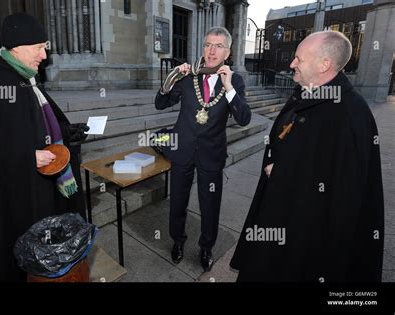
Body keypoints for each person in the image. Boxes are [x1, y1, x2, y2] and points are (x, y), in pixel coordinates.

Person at [230, 31, 384, 282]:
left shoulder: (351, 114)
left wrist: (284, 172)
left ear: (325, 65)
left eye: (299, 59)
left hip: (305, 237)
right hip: (279, 213)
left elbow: (344, 192)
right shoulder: (306, 92)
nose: (292, 64)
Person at [0, 13, 89, 282]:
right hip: (9, 198)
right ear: (17, 46)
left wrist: (66, 132)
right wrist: (26, 157)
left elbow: (38, 122)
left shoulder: (27, 78)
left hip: (37, 191)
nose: (44, 55)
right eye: (39, 47)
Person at [155, 27, 251, 272]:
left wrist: (229, 87)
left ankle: (206, 247)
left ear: (227, 52)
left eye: (218, 46)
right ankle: (177, 241)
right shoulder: (189, 76)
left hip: (211, 154)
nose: (211, 50)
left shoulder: (235, 81)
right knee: (177, 202)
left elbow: (244, 119)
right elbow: (161, 103)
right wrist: (171, 78)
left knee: (210, 205)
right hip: (182, 150)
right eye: (208, 44)